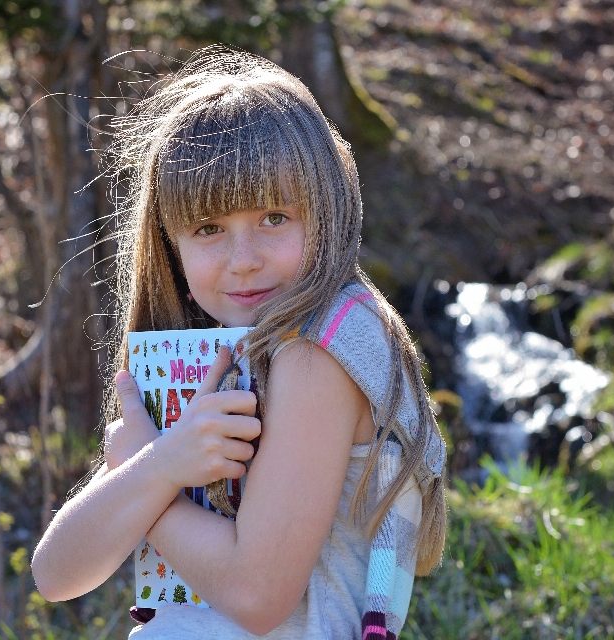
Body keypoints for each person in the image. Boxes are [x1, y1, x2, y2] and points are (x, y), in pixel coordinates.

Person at [31, 46, 447, 639]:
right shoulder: (214, 356)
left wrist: (158, 475)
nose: (244, 261)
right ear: (170, 244)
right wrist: (156, 465)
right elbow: (55, 575)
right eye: (208, 229)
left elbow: (257, 596)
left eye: (274, 217)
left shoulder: (317, 348)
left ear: (325, 209)